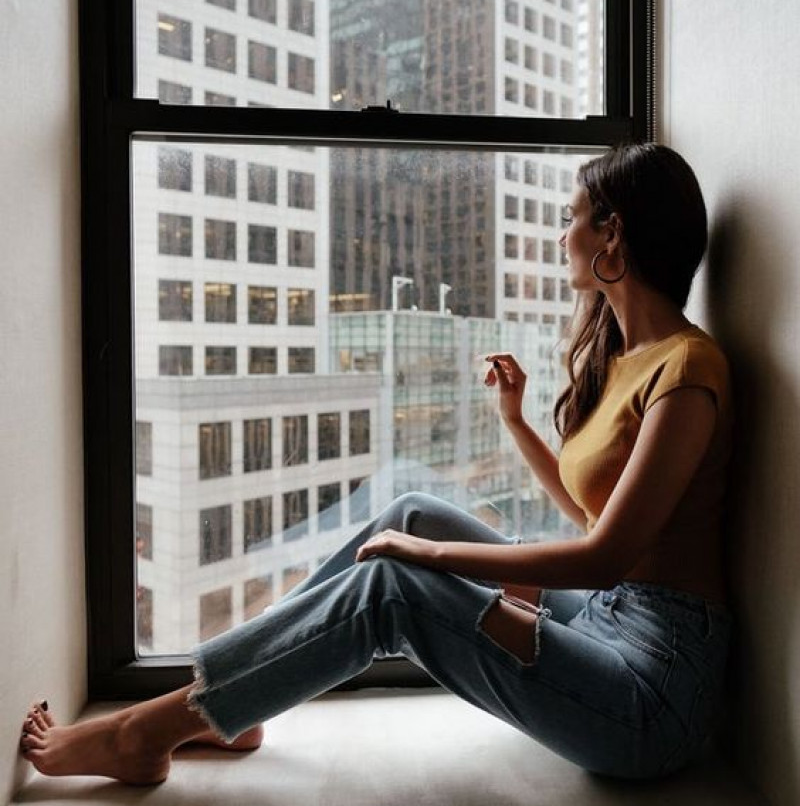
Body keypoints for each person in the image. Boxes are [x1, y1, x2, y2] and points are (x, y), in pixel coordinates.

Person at [20, 142, 733, 785]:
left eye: (573, 217)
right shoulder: (631, 361)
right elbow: (592, 516)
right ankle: (226, 703)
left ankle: (151, 729)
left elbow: (603, 555)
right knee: (408, 510)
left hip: (651, 691)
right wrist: (513, 422)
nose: (561, 235)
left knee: (395, 581)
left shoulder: (689, 367)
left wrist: (429, 556)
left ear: (613, 234)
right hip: (605, 619)